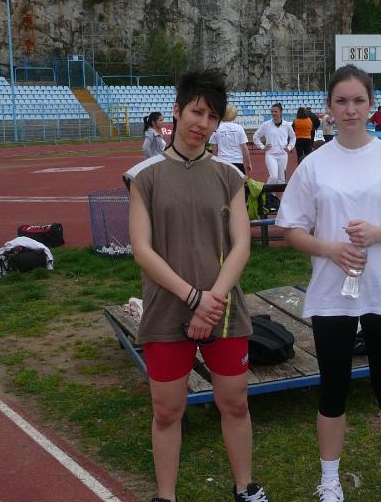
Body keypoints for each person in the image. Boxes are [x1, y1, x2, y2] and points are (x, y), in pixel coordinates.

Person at [276, 65, 381, 502]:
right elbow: (291, 229)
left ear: (371, 105)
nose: (350, 109)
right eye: (341, 101)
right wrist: (330, 249)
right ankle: (330, 481)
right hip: (331, 294)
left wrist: (378, 234)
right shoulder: (315, 164)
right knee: (333, 388)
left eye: (358, 100)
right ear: (328, 107)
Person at [125, 70, 269, 502]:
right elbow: (142, 249)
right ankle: (166, 495)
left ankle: (245, 488)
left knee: (235, 403)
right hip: (167, 309)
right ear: (177, 111)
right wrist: (193, 298)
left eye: (212, 117)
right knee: (167, 411)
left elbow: (241, 245)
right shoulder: (144, 175)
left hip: (223, 310)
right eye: (196, 111)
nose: (202, 123)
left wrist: (213, 300)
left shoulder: (229, 175)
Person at [253, 103, 296, 184]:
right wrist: (262, 147)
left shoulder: (287, 125)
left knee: (282, 180)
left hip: (283, 155)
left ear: (281, 112)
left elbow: (293, 137)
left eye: (275, 111)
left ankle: (279, 193)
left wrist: (289, 147)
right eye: (272, 111)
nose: (273, 113)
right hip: (271, 155)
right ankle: (267, 191)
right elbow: (256, 136)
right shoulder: (266, 125)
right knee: (273, 177)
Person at [211, 105, 252, 174]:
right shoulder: (239, 128)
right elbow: (244, 149)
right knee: (238, 181)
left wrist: (216, 162)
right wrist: (248, 163)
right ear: (234, 114)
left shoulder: (216, 128)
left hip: (222, 162)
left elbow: (214, 150)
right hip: (237, 162)